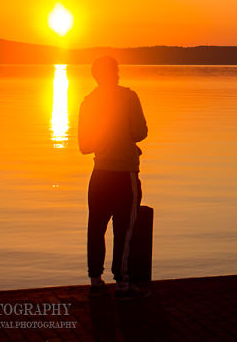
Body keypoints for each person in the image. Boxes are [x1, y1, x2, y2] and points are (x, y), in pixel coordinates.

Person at [79, 55, 149, 298]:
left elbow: (84, 146)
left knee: (96, 228)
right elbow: (140, 132)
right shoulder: (129, 97)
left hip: (99, 175)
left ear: (95, 76)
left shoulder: (88, 102)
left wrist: (104, 139)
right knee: (124, 230)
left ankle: (95, 281)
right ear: (115, 73)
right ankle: (123, 285)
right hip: (124, 174)